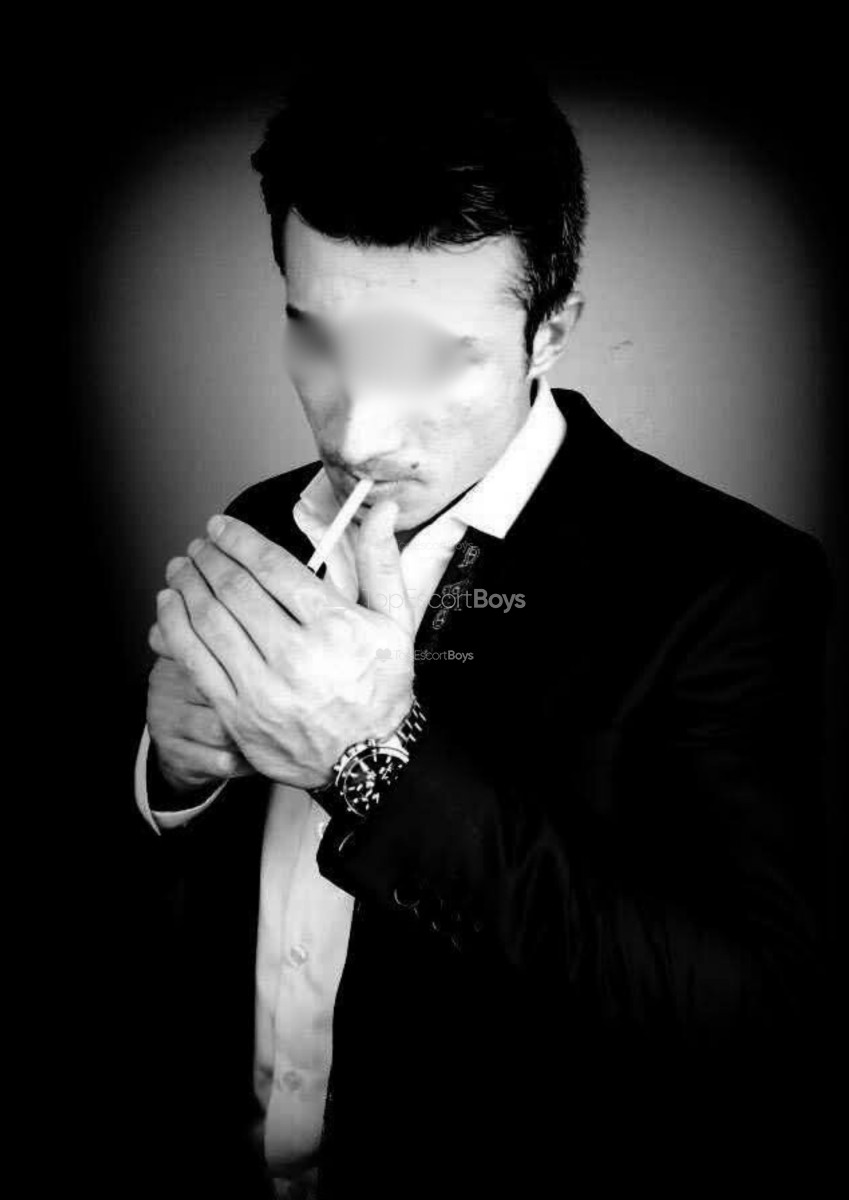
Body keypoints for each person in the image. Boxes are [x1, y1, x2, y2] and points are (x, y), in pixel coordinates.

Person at [134, 54, 834, 1199]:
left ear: (550, 330)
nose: (357, 434)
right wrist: (176, 775)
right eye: (317, 336)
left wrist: (375, 760)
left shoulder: (734, 584)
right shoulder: (262, 521)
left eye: (431, 359)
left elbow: (754, 1018)